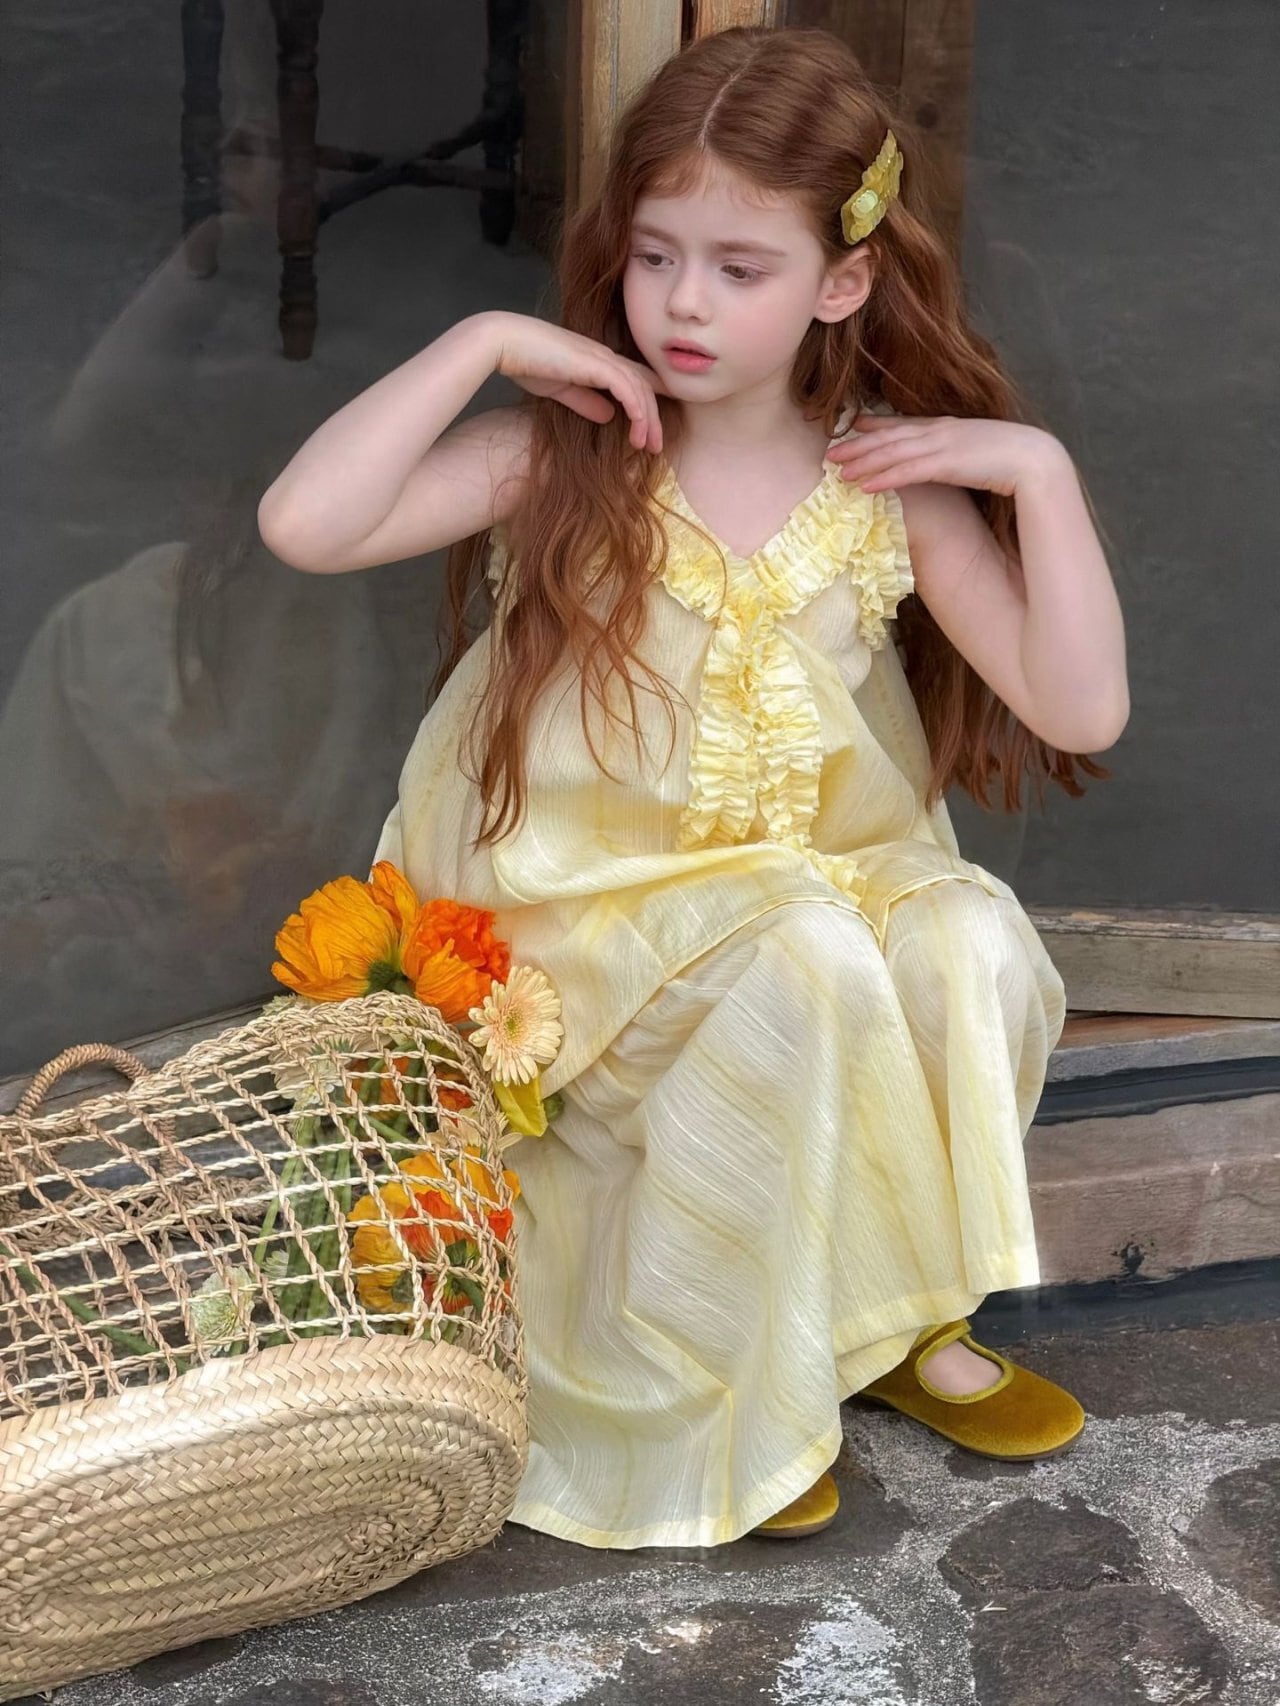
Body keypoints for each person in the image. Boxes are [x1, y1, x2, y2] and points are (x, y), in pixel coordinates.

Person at [257, 25, 1129, 1549]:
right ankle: (737, 1381)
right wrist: (484, 344)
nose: (683, 303)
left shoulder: (881, 483)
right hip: (591, 910)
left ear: (841, 283)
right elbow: (305, 524)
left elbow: (1081, 702)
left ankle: (900, 1315)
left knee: (970, 937)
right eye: (657, 256)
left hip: (812, 883)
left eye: (740, 267)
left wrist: (1037, 474)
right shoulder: (570, 456)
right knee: (803, 954)